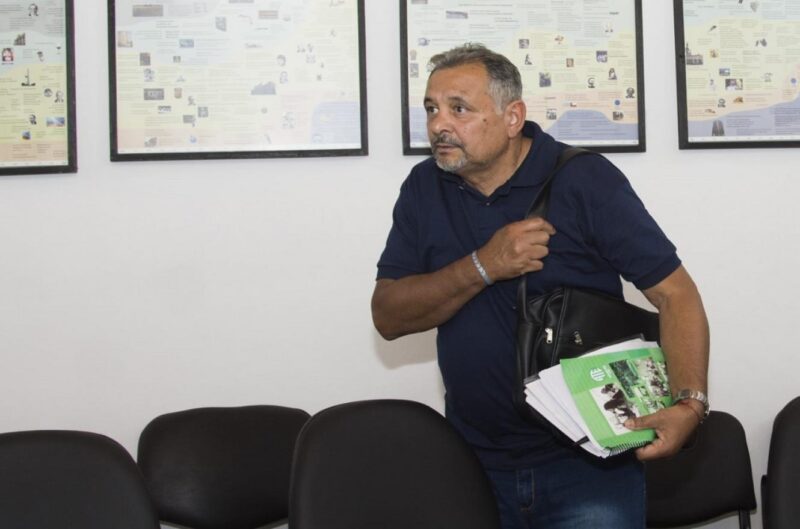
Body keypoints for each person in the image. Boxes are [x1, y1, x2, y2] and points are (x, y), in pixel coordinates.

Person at [372, 43, 709, 529]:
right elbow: (387, 316)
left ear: (512, 117)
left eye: (458, 109)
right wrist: (484, 265)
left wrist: (690, 404)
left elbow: (676, 294)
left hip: (589, 464)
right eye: (431, 109)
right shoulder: (424, 188)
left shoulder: (583, 180)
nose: (438, 124)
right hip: (471, 464)